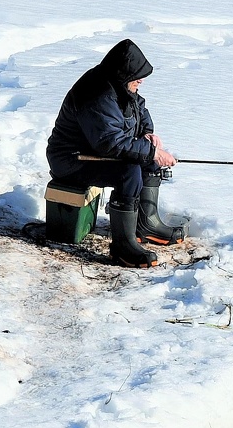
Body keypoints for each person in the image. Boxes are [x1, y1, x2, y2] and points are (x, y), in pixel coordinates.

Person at [46, 39, 185, 267]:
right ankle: (122, 246)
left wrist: (148, 135)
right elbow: (110, 143)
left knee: (148, 162)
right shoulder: (96, 93)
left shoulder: (120, 85)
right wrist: (151, 152)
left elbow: (139, 109)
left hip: (95, 152)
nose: (140, 81)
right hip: (71, 159)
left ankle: (146, 225)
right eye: (137, 77)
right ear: (123, 73)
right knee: (128, 171)